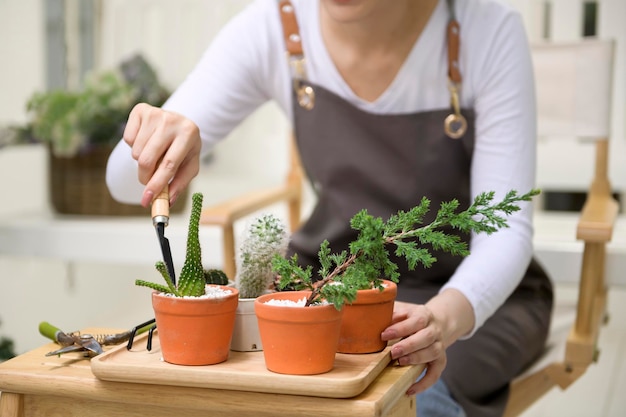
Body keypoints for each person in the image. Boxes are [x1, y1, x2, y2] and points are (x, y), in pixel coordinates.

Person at [106, 0, 554, 416]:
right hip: (332, 285)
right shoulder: (276, 26)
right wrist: (162, 135)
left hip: (464, 299)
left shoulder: (485, 31)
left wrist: (442, 319)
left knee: (410, 396)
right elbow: (123, 182)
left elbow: (506, 232)